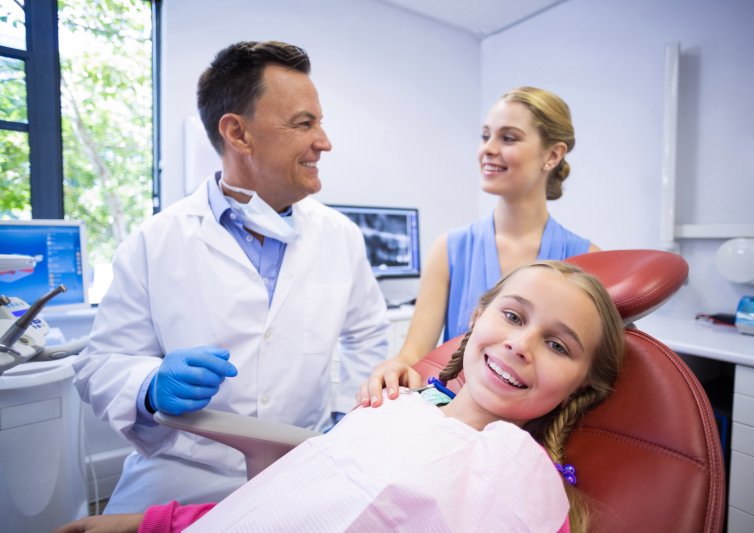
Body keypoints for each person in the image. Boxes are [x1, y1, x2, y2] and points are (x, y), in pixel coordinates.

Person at [58, 261, 625, 533]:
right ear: (475, 320)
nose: (521, 344)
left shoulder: (522, 476)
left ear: (584, 386)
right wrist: (148, 523)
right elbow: (287, 508)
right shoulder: (393, 407)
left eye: (556, 344)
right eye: (511, 315)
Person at [71, 41, 389, 513]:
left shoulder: (339, 235)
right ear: (238, 134)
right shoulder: (155, 240)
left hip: (302, 459)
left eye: (319, 122)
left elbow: (368, 337)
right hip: (183, 468)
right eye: (305, 123)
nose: (324, 142)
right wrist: (150, 383)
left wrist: (346, 417)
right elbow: (100, 364)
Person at [359, 86, 599, 408]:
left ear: (552, 155)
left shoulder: (590, 260)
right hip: (451, 420)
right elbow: (415, 354)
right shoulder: (450, 249)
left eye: (508, 138)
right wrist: (395, 368)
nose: (488, 149)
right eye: (485, 136)